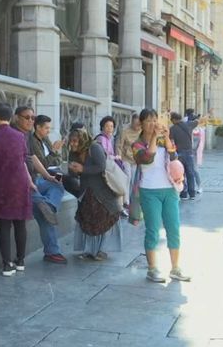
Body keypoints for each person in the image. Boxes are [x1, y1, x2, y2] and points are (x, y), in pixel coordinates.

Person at [133, 108, 190, 283]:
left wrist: (165, 137)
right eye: (148, 120)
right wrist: (153, 138)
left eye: (154, 120)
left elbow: (174, 157)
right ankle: (152, 268)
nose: (152, 124)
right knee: (153, 230)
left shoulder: (163, 140)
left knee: (174, 229)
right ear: (141, 123)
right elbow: (148, 157)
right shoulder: (137, 145)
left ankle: (175, 268)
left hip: (169, 190)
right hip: (149, 191)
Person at [13, 106, 68, 264]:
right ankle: (52, 251)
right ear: (17, 118)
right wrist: (31, 181)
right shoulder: (15, 134)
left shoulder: (30, 136)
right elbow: (22, 162)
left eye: (32, 117)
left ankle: (49, 206)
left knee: (57, 185)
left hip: (35, 179)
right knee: (43, 212)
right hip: (22, 183)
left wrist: (48, 177)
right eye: (27, 117)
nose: (30, 120)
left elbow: (33, 159)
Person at [0, 103, 33, 276]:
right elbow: (23, 158)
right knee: (20, 223)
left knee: (4, 225)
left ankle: (7, 264)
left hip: (1, 183)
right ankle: (20, 260)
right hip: (20, 182)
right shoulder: (20, 136)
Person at [69, 128, 123, 261]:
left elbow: (101, 166)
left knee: (103, 219)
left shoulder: (94, 148)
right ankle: (89, 250)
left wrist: (83, 169)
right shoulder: (74, 153)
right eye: (71, 141)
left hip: (101, 191)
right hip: (85, 192)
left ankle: (102, 250)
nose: (73, 144)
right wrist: (73, 171)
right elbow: (73, 174)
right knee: (87, 220)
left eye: (75, 141)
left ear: (82, 139)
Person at [169, 112, 199, 200]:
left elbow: (171, 141)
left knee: (181, 173)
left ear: (174, 119)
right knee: (190, 173)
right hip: (189, 152)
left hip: (180, 153)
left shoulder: (173, 129)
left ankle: (183, 193)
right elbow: (197, 121)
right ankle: (192, 193)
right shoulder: (188, 125)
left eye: (171, 119)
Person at [116, 114, 141, 194]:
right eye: (135, 124)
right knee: (127, 177)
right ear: (132, 122)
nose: (137, 127)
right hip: (125, 157)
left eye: (139, 125)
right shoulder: (125, 130)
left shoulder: (142, 131)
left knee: (133, 180)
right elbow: (119, 145)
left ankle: (129, 198)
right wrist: (119, 157)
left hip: (135, 159)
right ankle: (126, 199)